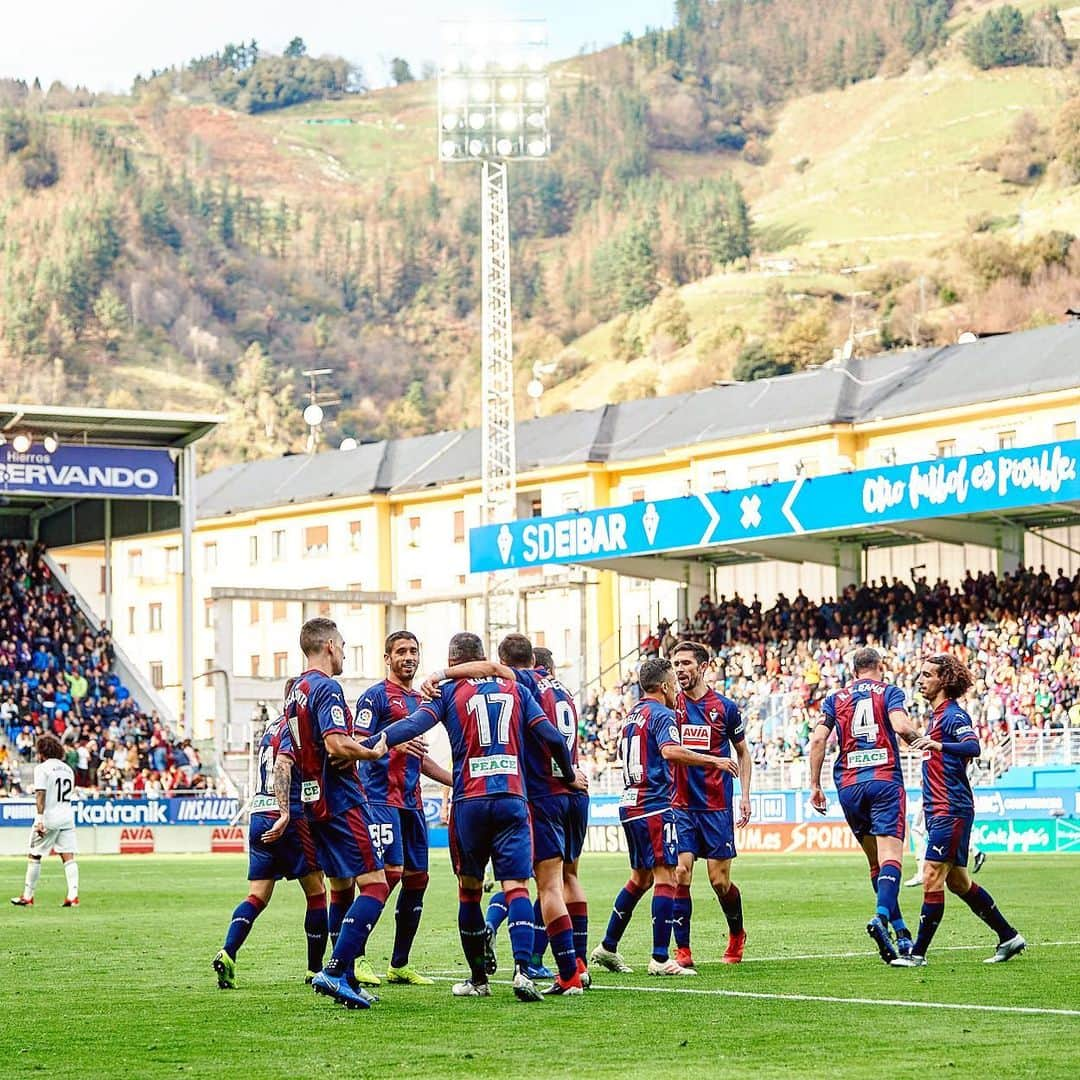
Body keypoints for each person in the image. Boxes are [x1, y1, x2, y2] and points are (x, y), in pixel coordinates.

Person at [366, 631, 582, 1002]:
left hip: (470, 802)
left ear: (453, 662)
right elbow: (554, 739)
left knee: (469, 892)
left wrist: (377, 742)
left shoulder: (447, 692)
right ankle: (522, 972)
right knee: (517, 888)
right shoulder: (516, 689)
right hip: (513, 797)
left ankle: (479, 980)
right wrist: (567, 774)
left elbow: (414, 726)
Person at [423, 634, 590, 995]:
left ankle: (548, 967)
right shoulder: (562, 691)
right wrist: (570, 773)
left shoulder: (517, 682)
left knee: (536, 885)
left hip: (534, 792)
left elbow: (492, 670)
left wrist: (440, 675)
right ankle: (577, 967)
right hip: (572, 794)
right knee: (560, 880)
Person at [591, 657, 737, 977]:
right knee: (666, 878)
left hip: (630, 802)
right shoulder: (662, 714)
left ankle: (607, 946)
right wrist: (714, 761)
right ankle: (660, 959)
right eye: (672, 682)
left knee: (639, 878)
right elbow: (670, 751)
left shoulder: (633, 716)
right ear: (663, 685)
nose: (676, 689)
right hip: (654, 804)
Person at [892, 655, 1025, 967]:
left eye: (927, 675)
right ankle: (1009, 937)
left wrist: (939, 746)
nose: (920, 680)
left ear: (944, 680)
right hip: (941, 809)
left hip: (951, 808)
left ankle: (917, 954)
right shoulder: (936, 718)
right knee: (959, 883)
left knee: (931, 875)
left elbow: (973, 747)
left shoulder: (952, 716)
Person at [289, 617, 390, 1011]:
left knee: (342, 887)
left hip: (313, 801)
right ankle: (335, 969)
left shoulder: (297, 689)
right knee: (376, 885)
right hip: (342, 800)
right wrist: (370, 751)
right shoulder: (327, 686)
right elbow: (334, 743)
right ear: (330, 645)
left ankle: (345, 979)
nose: (345, 652)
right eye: (344, 645)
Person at [213, 678, 329, 989]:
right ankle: (314, 969)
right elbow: (282, 766)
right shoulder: (297, 727)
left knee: (257, 896)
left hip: (258, 814)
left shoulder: (271, 727)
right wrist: (287, 811)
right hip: (286, 816)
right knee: (317, 891)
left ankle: (228, 951)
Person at [809, 646, 918, 964]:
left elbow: (817, 741)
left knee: (875, 862)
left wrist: (815, 785)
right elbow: (900, 726)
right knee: (891, 858)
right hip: (884, 780)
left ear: (854, 670)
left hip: (849, 785)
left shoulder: (835, 698)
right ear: (879, 667)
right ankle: (881, 919)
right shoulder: (889, 691)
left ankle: (901, 934)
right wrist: (924, 742)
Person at [354, 631, 451, 986]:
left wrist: (459, 781)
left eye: (413, 651)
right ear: (387, 658)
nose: (408, 657)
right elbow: (358, 744)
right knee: (387, 876)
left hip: (412, 803)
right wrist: (395, 746)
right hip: (379, 799)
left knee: (418, 879)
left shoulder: (422, 704)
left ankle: (399, 964)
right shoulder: (374, 697)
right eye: (401, 652)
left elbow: (421, 760)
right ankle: (356, 956)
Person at [669, 642, 753, 970]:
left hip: (717, 805)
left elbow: (743, 753)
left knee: (719, 881)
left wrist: (744, 795)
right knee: (680, 873)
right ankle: (683, 950)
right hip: (680, 804)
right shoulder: (670, 704)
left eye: (686, 663)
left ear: (703, 666)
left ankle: (736, 933)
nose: (679, 669)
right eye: (675, 663)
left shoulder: (725, 707)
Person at [10, 734, 79, 907]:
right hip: (67, 816)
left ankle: (28, 896)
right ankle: (73, 896)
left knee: (34, 854)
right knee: (68, 856)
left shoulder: (42, 768)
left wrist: (40, 819)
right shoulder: (67, 769)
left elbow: (40, 793)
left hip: (49, 817)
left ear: (42, 751)